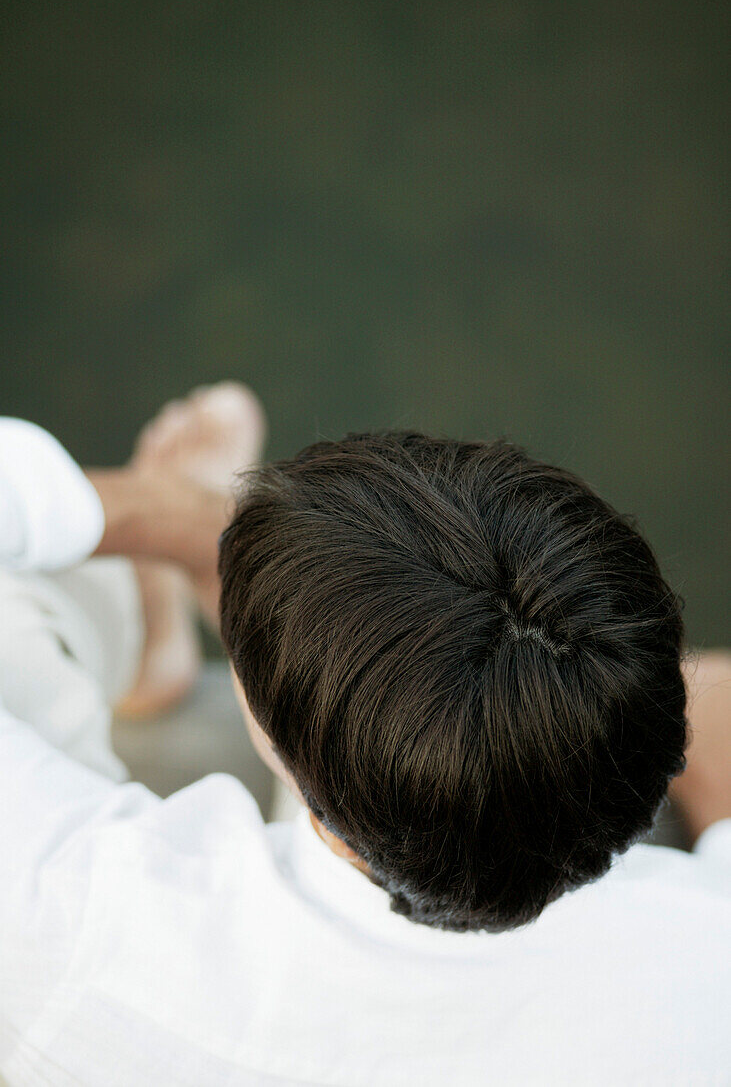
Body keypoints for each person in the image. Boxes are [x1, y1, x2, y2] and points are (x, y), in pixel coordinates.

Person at [0, 388, 728, 1086]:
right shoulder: (704, 974)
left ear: (272, 743)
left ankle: (154, 575)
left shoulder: (73, 928)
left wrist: (179, 513)